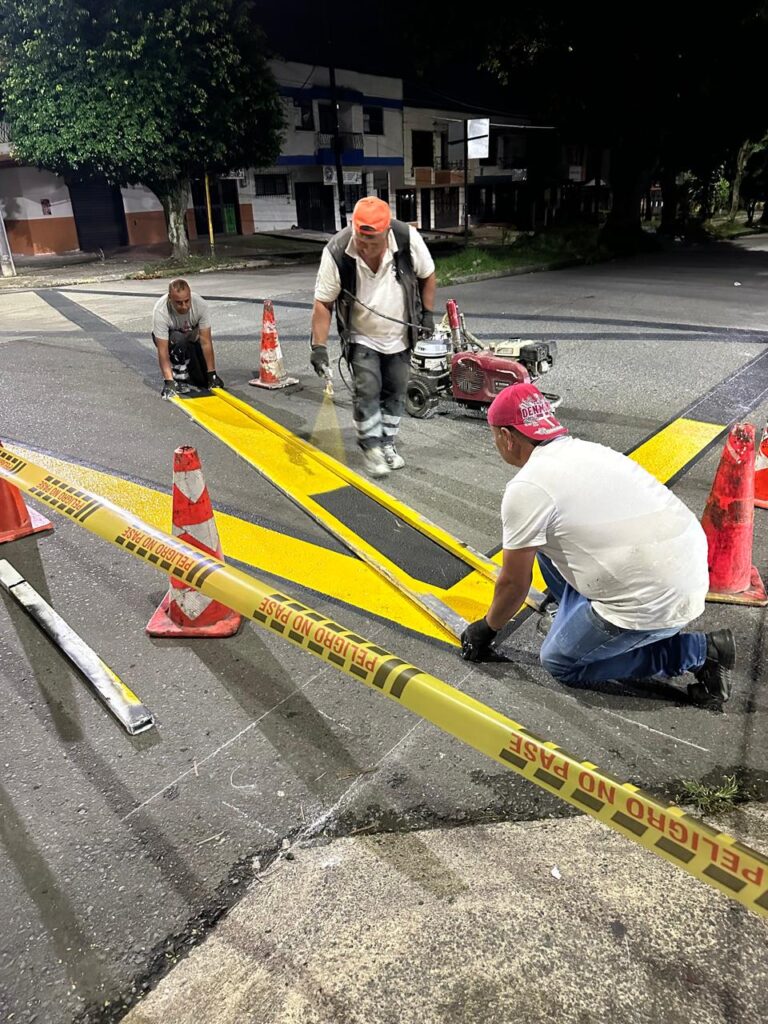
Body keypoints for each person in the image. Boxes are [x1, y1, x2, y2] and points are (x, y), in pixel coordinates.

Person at [460, 382, 735, 708]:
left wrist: (486, 629)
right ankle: (582, 622)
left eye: (495, 437)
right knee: (543, 542)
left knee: (559, 661)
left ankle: (699, 652)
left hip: (656, 602)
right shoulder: (587, 450)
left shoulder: (528, 488)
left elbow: (514, 584)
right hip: (683, 570)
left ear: (506, 436)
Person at [310, 196, 436, 478]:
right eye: (361, 240)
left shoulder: (406, 239)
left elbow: (428, 275)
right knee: (367, 388)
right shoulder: (338, 251)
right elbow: (323, 302)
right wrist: (318, 347)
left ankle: (387, 444)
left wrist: (427, 314)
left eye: (373, 242)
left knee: (396, 391)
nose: (365, 248)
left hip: (400, 334)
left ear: (387, 233)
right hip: (361, 336)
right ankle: (371, 449)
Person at [152, 279, 224, 399]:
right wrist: (168, 381)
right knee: (178, 339)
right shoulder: (161, 310)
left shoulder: (200, 305)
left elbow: (206, 342)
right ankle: (178, 377)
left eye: (187, 301)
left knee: (202, 381)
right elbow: (162, 351)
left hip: (191, 339)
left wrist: (212, 374)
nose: (184, 306)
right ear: (170, 298)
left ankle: (189, 369)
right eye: (179, 303)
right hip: (172, 341)